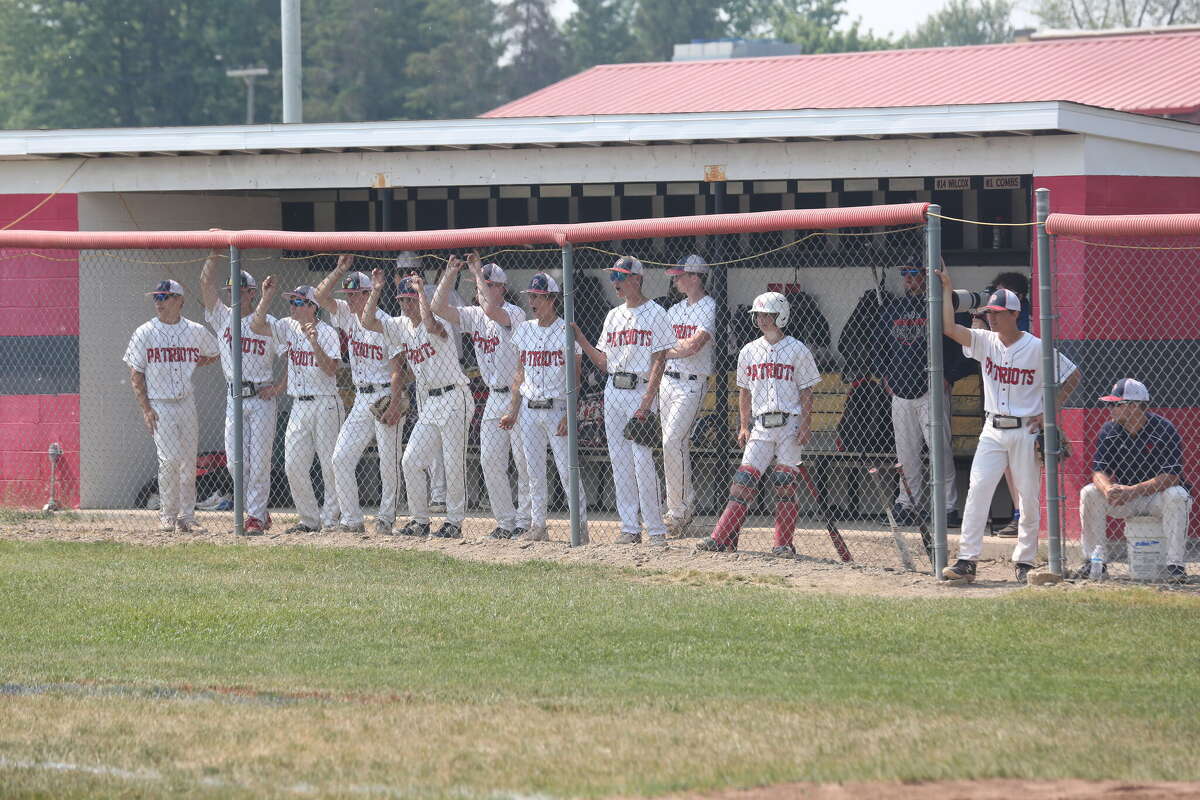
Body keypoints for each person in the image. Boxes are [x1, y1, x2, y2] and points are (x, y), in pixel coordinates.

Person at [936, 275, 1082, 584]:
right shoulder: (985, 340)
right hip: (992, 428)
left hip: (1025, 430)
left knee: (1028, 497)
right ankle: (966, 560)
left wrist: (1048, 412)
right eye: (989, 313)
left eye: (997, 313)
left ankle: (1025, 561)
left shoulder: (1036, 347)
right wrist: (948, 290)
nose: (991, 318)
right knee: (978, 490)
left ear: (1015, 314)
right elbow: (949, 329)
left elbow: (1072, 375)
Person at [695, 292, 820, 556]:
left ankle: (783, 543)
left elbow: (807, 391)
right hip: (761, 424)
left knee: (785, 482)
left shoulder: (798, 349)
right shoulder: (749, 351)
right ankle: (721, 538)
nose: (762, 320)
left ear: (781, 316)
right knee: (743, 481)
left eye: (767, 315)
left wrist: (806, 424)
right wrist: (743, 425)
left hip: (790, 423)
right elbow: (744, 392)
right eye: (759, 315)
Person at [576, 256, 676, 546]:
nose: (615, 283)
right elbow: (605, 363)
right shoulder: (613, 315)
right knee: (619, 461)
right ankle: (629, 527)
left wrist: (648, 399)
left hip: (639, 391)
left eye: (621, 277)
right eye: (614, 277)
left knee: (642, 460)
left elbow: (660, 359)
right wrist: (582, 341)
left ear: (637, 279)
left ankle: (656, 530)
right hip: (614, 389)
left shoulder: (656, 312)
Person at [362, 269, 470, 538]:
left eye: (410, 300)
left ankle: (454, 523)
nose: (406, 305)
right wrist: (376, 290)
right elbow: (367, 322)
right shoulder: (400, 325)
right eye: (402, 300)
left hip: (455, 395)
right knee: (411, 461)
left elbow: (431, 325)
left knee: (454, 462)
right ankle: (420, 521)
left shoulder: (433, 320)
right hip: (430, 402)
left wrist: (422, 292)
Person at [432, 252, 531, 539]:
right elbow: (438, 307)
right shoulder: (474, 315)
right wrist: (451, 273)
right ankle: (505, 522)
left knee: (522, 462)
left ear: (500, 288)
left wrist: (477, 273)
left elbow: (491, 311)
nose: (482, 288)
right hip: (493, 396)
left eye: (489, 284)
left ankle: (525, 521)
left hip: (518, 395)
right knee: (490, 460)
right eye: (480, 284)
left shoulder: (515, 313)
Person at [316, 256, 406, 535]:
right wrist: (340, 268)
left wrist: (393, 404)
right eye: (350, 295)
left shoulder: (386, 324)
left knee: (387, 461)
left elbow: (398, 370)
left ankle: (386, 519)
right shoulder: (346, 315)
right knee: (340, 458)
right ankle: (352, 520)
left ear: (369, 295)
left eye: (356, 295)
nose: (351, 300)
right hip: (361, 397)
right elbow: (319, 296)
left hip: (383, 395)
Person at [876, 262, 969, 528]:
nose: (907, 278)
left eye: (913, 273)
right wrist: (886, 377)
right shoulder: (892, 309)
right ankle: (908, 504)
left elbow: (962, 345)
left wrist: (949, 376)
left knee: (939, 450)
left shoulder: (942, 305)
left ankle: (948, 508)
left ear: (927, 275)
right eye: (903, 273)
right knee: (906, 454)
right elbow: (879, 347)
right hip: (901, 392)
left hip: (932, 390)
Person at [123, 279, 219, 533]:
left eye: (164, 297)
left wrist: (193, 362)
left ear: (179, 301)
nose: (159, 302)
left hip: (186, 401)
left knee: (189, 462)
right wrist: (146, 408)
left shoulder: (194, 330)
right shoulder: (145, 332)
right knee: (169, 460)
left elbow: (216, 352)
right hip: (160, 404)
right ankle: (167, 515)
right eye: (156, 297)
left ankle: (187, 517)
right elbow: (136, 373)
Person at [251, 279, 344, 534]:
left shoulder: (327, 332)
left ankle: (331, 520)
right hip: (299, 404)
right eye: (291, 302)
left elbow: (331, 369)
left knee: (329, 464)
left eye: (298, 302)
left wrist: (314, 343)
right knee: (293, 465)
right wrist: (266, 297)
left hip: (325, 402)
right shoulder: (289, 326)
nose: (292, 307)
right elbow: (257, 325)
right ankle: (309, 519)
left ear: (313, 306)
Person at [500, 273, 588, 541]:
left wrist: (570, 414)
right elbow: (519, 373)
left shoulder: (565, 331)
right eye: (531, 296)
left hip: (557, 407)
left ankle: (580, 527)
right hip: (528, 408)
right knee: (533, 471)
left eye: (537, 297)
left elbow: (577, 376)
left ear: (552, 299)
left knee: (566, 470)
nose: (532, 301)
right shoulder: (525, 329)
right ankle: (538, 526)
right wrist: (513, 410)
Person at [1077, 378, 1191, 583]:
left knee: (1178, 495)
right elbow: (1098, 472)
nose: (1110, 408)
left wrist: (1133, 490)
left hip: (1156, 497)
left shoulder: (1163, 428)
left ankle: (1175, 566)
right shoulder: (1110, 430)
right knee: (1089, 492)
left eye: (1115, 404)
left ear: (1134, 406)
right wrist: (1109, 489)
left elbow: (1172, 476)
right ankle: (1095, 563)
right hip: (1124, 498)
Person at [199, 252, 282, 533]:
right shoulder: (224, 316)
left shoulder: (267, 322)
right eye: (230, 289)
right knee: (237, 464)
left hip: (260, 397)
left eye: (239, 290)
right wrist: (212, 254)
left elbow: (294, 355)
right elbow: (205, 284)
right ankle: (257, 511)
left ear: (251, 293)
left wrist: (280, 387)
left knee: (259, 461)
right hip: (234, 397)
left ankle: (256, 516)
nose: (234, 293)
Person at [659, 254, 717, 537]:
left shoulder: (709, 307)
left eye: (680, 275)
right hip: (667, 381)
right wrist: (670, 349)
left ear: (695, 277)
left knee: (673, 441)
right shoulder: (675, 309)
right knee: (672, 445)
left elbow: (694, 346)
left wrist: (668, 349)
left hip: (692, 383)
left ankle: (679, 509)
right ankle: (679, 509)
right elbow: (665, 345)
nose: (676, 279)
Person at [986, 271, 1032, 538]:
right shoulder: (990, 327)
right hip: (999, 394)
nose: (994, 313)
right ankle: (1017, 514)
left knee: (1026, 467)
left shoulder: (1024, 317)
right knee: (1003, 465)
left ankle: (1025, 518)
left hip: (1025, 398)